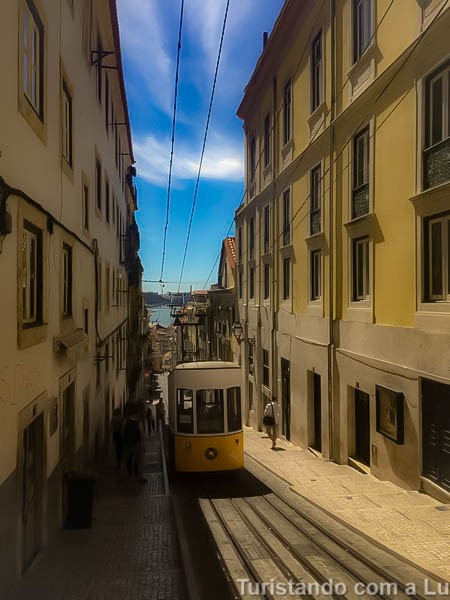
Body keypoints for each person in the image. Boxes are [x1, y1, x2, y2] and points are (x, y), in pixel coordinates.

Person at [122, 404, 146, 482]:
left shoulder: (126, 421)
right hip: (136, 444)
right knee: (139, 460)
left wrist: (124, 441)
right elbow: (142, 434)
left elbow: (122, 431)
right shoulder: (138, 423)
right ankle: (139, 477)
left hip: (127, 444)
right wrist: (143, 445)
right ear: (136, 413)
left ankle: (128, 475)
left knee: (127, 460)